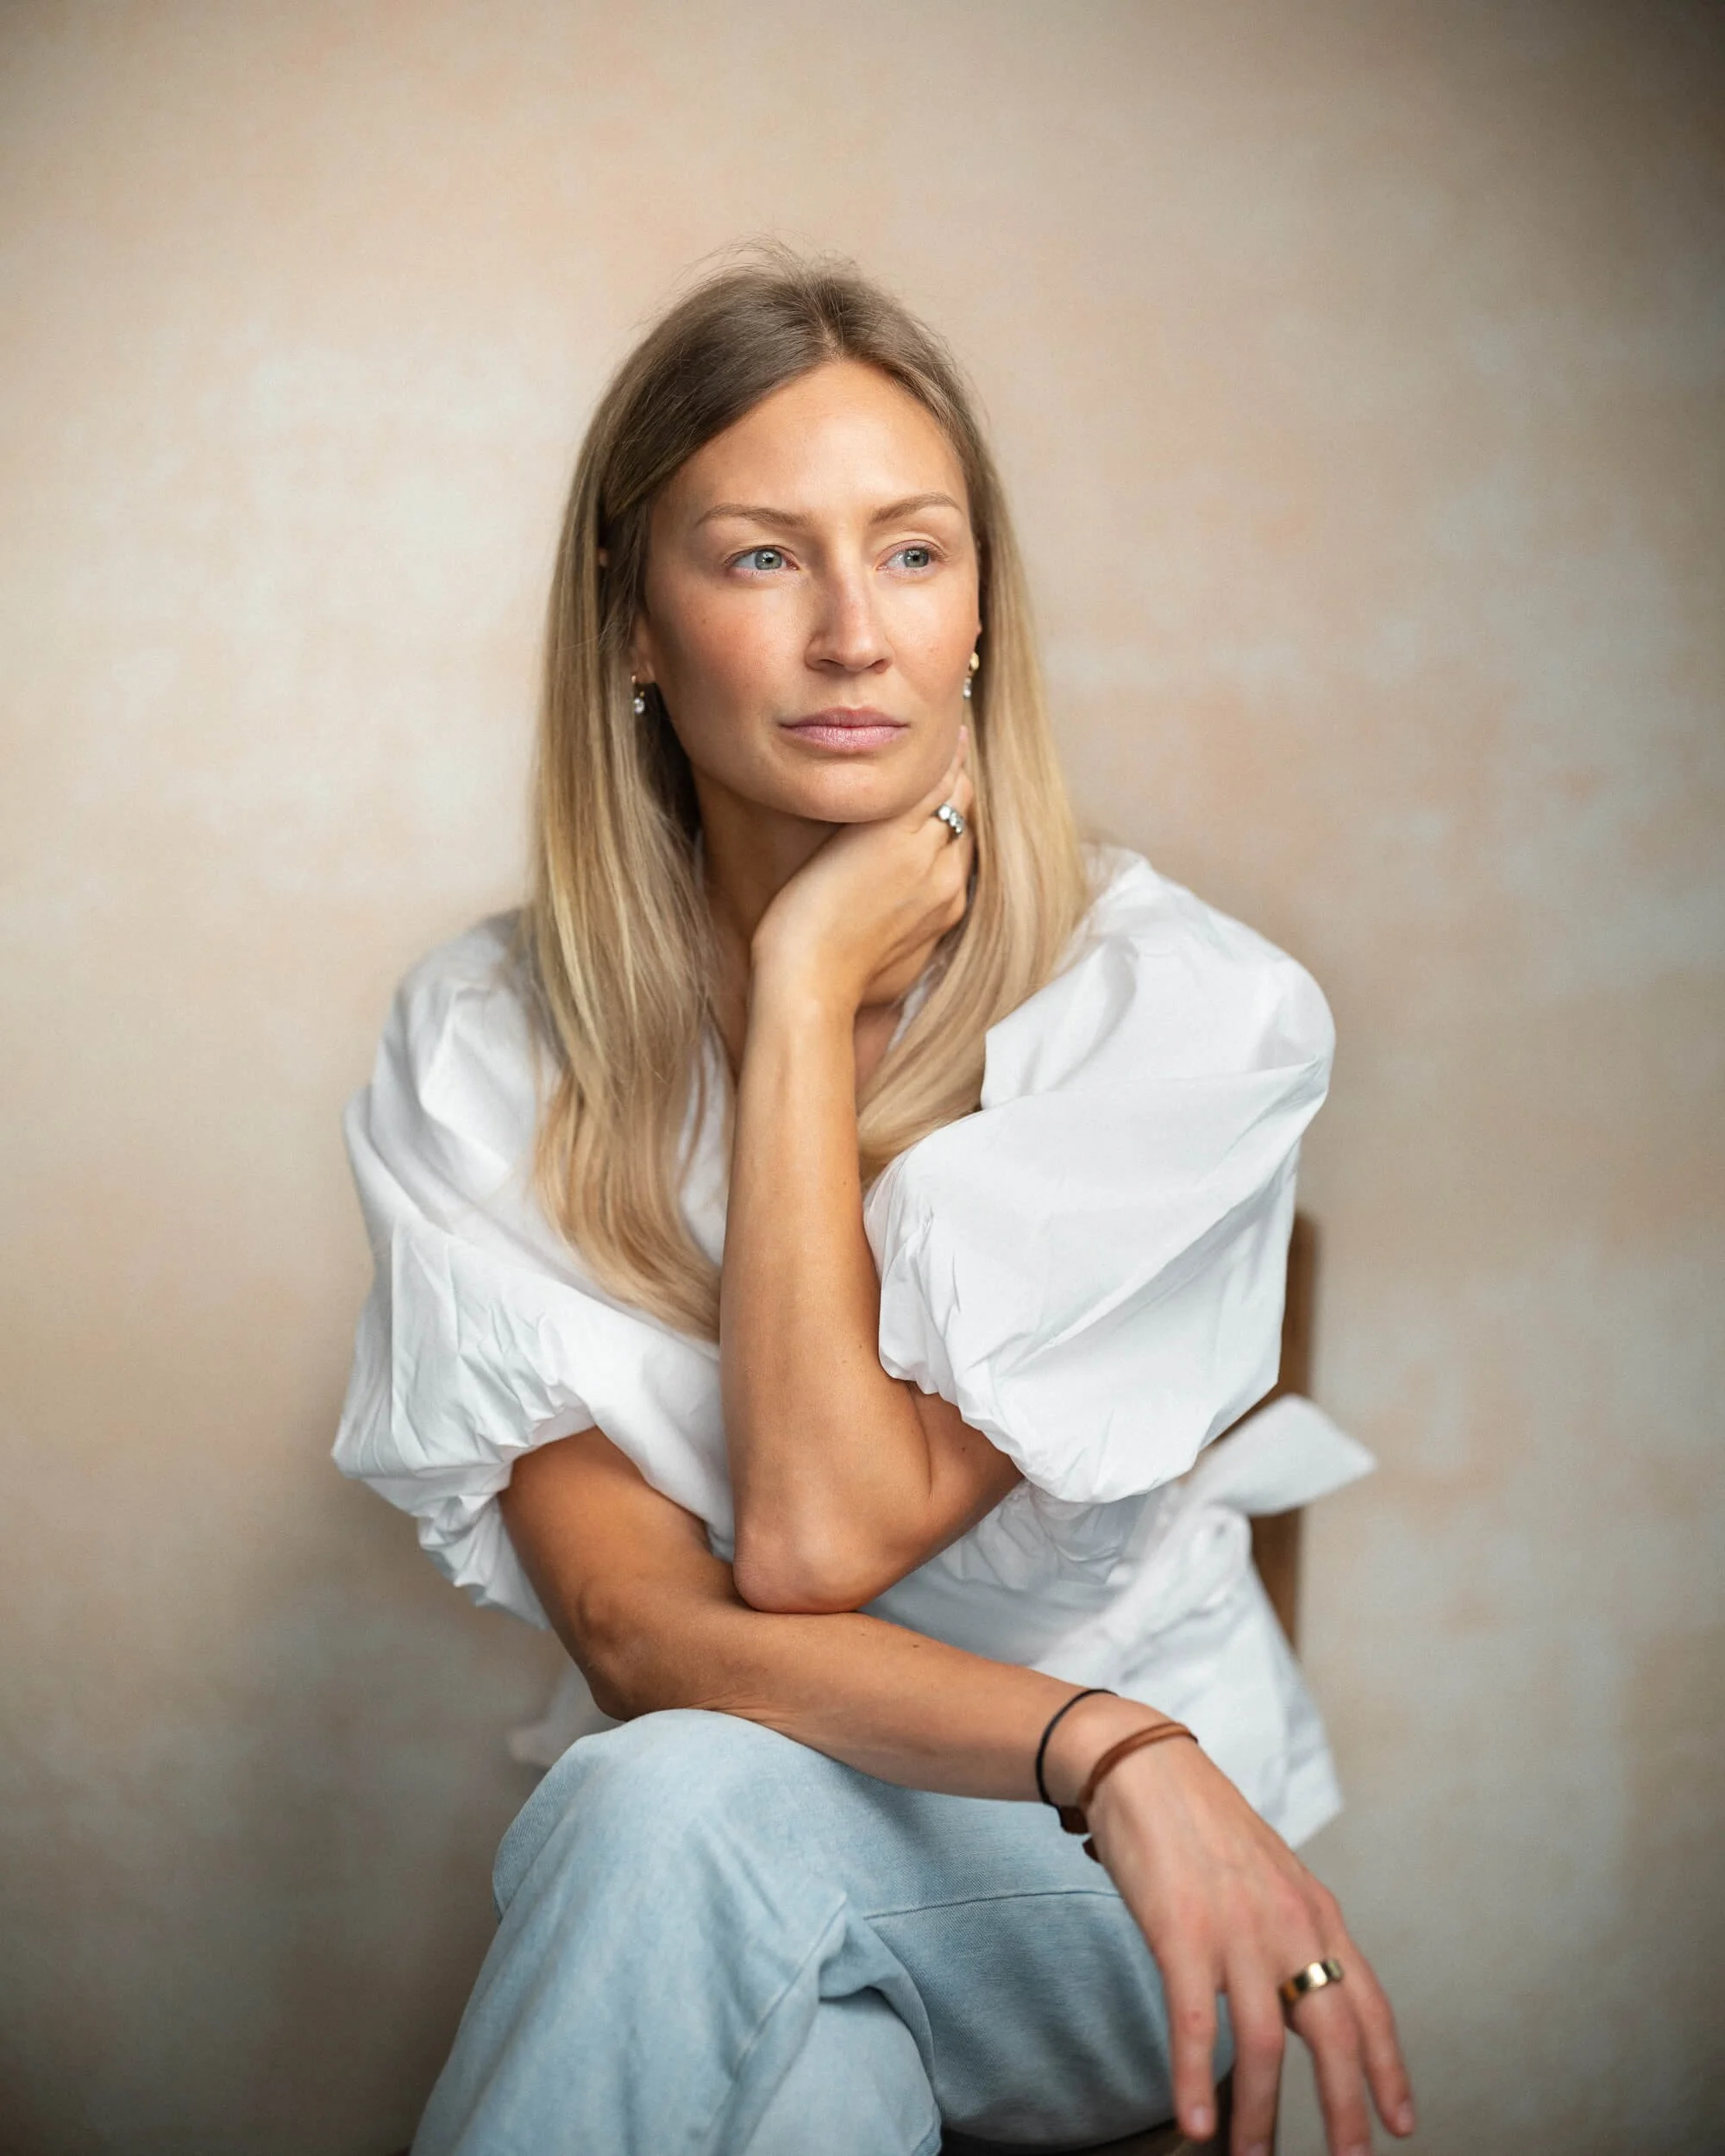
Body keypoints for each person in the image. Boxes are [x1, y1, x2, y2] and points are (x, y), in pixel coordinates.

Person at [334, 250, 1414, 2156]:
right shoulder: (486, 1043)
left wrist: (1124, 1758)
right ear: (634, 631)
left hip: (1118, 1893)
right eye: (761, 556)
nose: (855, 633)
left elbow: (814, 1532)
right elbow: (650, 1631)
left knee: (659, 1808)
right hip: (808, 1828)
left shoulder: (1178, 1015)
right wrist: (798, 985)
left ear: (984, 607)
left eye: (911, 552)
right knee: (790, 2044)